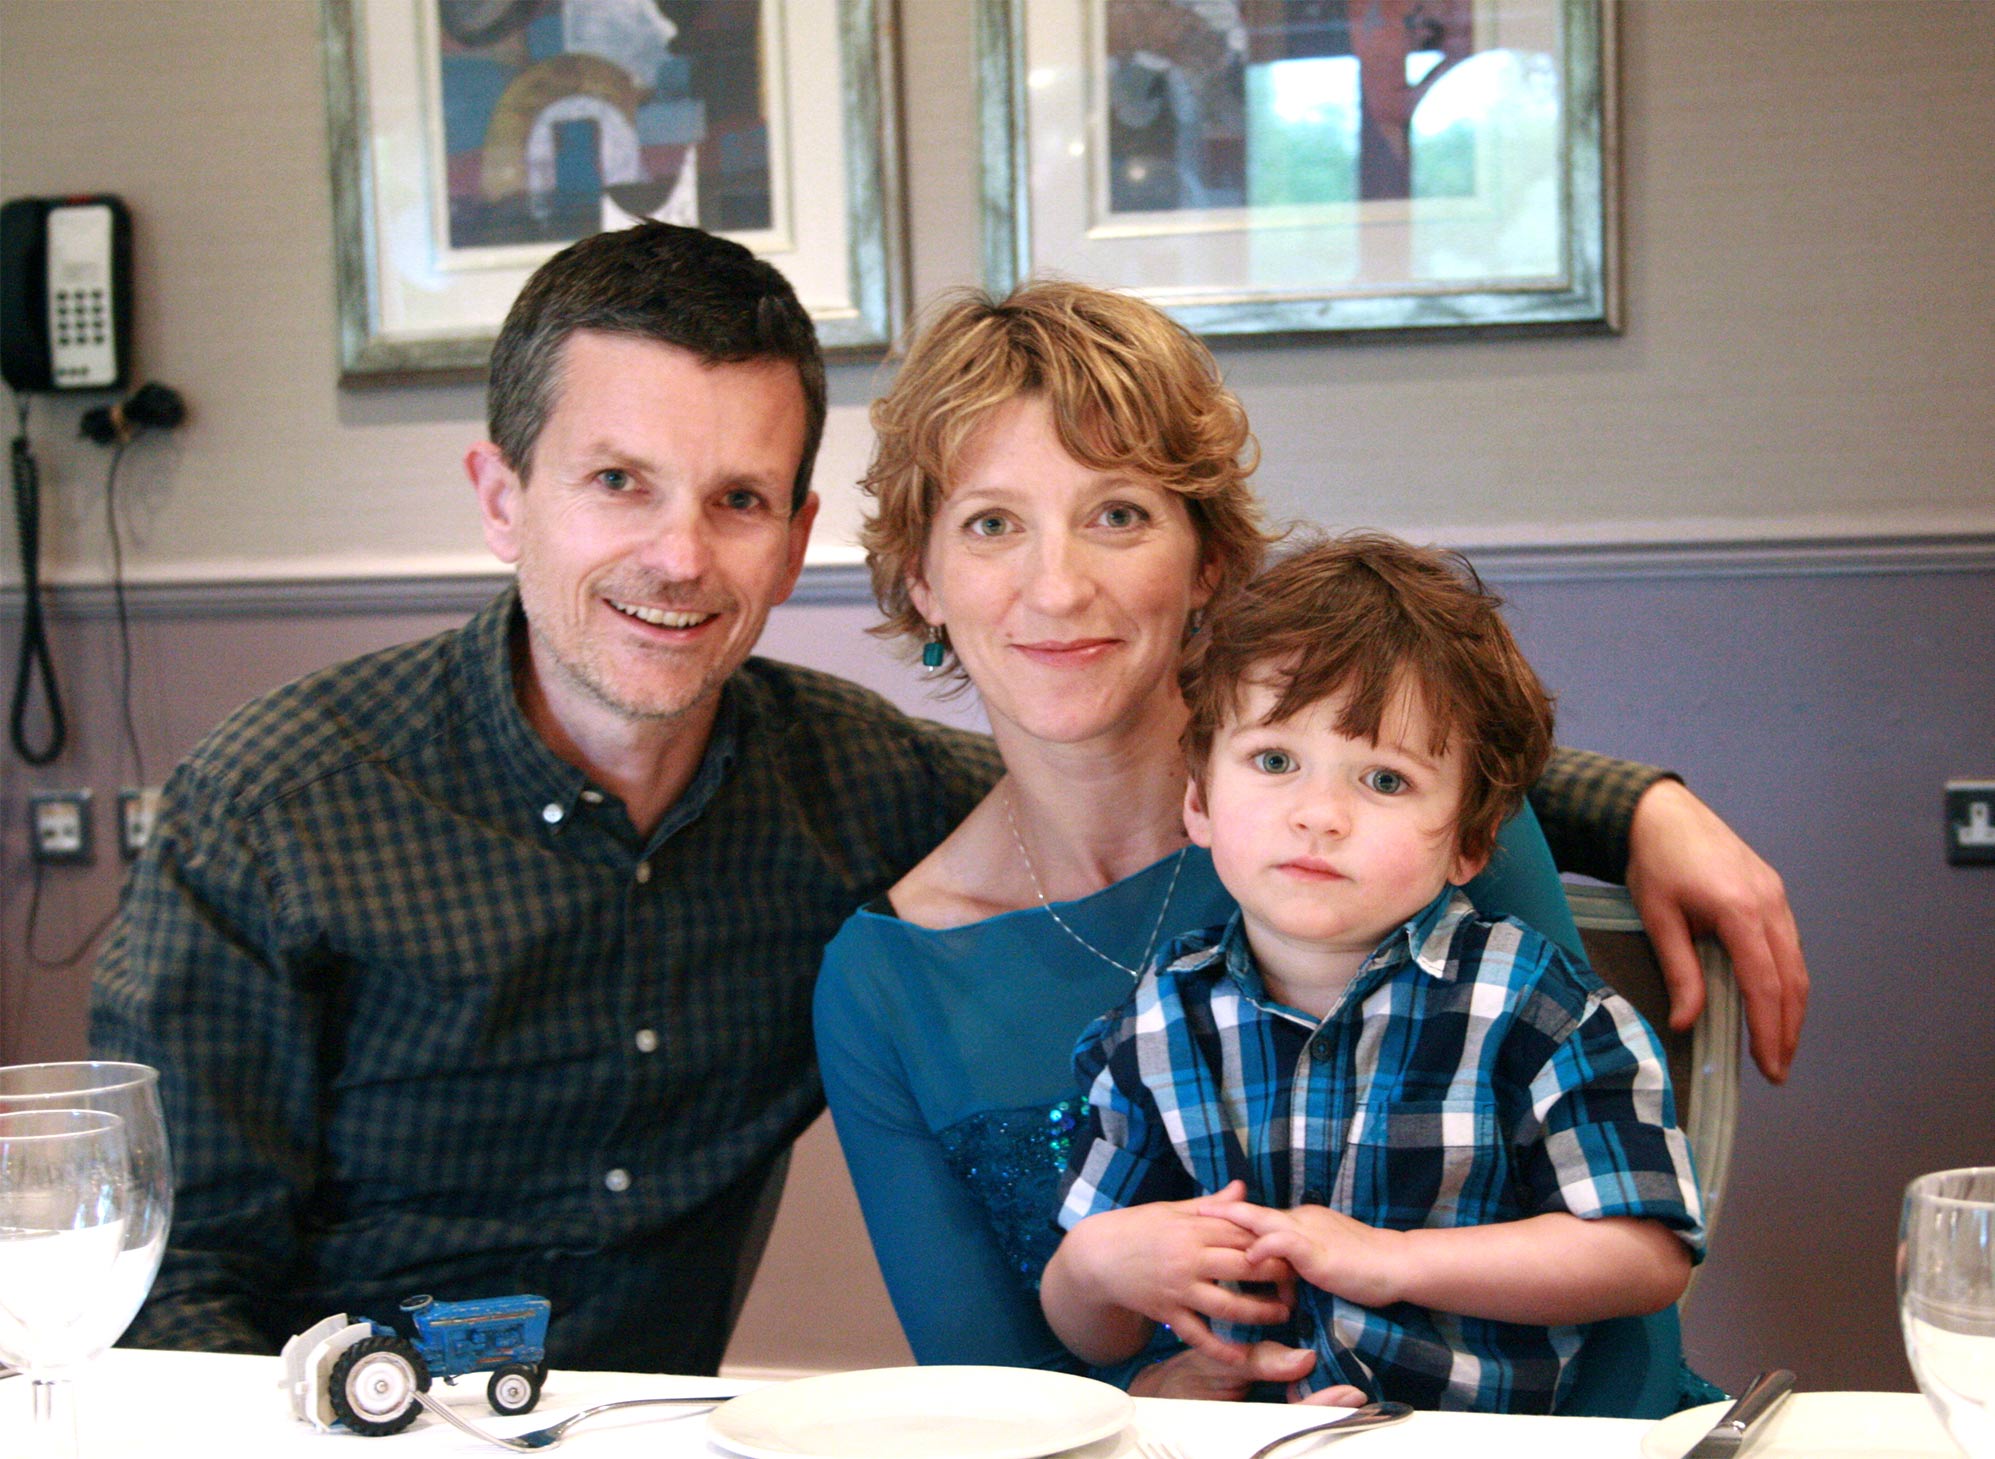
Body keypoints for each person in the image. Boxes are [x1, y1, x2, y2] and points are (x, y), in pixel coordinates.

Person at [813, 281, 1798, 1402]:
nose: (1059, 584)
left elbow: (1632, 1330)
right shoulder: (884, 983)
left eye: (1120, 514)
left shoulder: (1396, 836)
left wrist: (1639, 804)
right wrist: (1169, 1409)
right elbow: (991, 1404)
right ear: (922, 579)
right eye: (993, 523)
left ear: (1210, 563)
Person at [89, 222, 999, 1372]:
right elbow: (172, 1291)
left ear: (794, 539)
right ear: (503, 498)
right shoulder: (271, 814)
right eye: (619, 482)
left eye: (739, 500)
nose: (681, 557)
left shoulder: (864, 788)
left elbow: (1116, 837)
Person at [1040, 533, 1704, 1411]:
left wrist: (1389, 1261)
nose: (1318, 815)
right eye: (1274, 762)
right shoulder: (1159, 1022)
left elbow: (1644, 1255)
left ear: (1468, 839)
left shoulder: (1539, 1009)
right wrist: (1093, 1268)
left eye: (1384, 780)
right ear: (1198, 798)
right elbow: (1093, 1332)